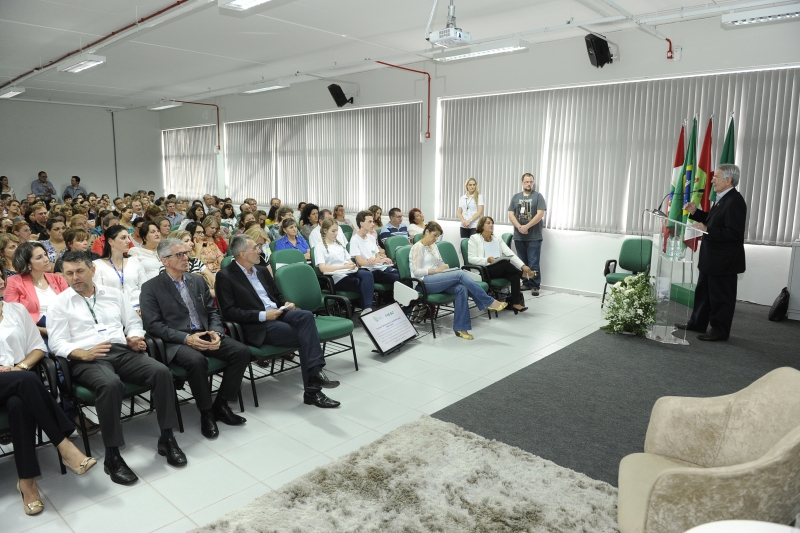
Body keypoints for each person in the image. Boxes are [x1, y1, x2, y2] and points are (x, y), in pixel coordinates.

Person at [48, 251, 186, 484]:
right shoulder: (60, 304)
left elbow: (132, 321)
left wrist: (133, 336)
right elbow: (56, 342)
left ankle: (167, 438)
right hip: (87, 359)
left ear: (92, 270)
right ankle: (112, 456)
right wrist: (82, 353)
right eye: (69, 273)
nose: (75, 277)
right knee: (110, 384)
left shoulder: (113, 294)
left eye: (80, 271)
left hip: (121, 351)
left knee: (161, 372)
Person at [140, 238, 250, 439]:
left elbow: (212, 311)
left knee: (241, 352)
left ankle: (222, 404)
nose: (186, 258)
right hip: (176, 340)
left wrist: (216, 332)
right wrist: (186, 339)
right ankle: (206, 412)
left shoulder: (196, 280)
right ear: (165, 260)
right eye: (179, 255)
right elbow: (154, 326)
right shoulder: (151, 288)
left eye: (186, 253)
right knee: (197, 361)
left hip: (205, 333)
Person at [216, 235, 341, 408]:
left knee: (305, 316)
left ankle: (314, 379)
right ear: (242, 254)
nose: (260, 250)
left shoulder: (260, 270)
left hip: (278, 313)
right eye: (256, 248)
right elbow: (229, 312)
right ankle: (313, 388)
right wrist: (262, 315)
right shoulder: (225, 276)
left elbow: (276, 294)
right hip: (257, 324)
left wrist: (285, 303)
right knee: (307, 336)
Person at [0, 301, 98, 516]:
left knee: (19, 403)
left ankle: (27, 483)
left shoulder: (15, 310)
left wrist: (20, 367)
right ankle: (64, 445)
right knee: (25, 382)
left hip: (17, 380)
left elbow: (38, 346)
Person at [677, 164, 747, 341]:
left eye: (716, 177)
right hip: (711, 259)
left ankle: (719, 331)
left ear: (728, 180)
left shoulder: (735, 201)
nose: (713, 180)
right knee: (704, 293)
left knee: (721, 298)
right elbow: (713, 221)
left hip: (724, 261)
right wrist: (696, 212)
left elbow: (734, 233)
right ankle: (697, 323)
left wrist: (707, 228)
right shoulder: (722, 198)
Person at [410, 222, 506, 340]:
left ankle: (461, 327)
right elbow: (416, 271)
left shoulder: (433, 246)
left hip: (436, 279)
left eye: (437, 236)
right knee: (460, 274)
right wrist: (436, 271)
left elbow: (440, 261)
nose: (436, 239)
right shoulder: (418, 247)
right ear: (426, 232)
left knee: (461, 288)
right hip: (423, 282)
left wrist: (444, 266)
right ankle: (488, 301)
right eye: (434, 235)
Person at [468, 216, 534, 313]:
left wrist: (522, 265)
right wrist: (486, 260)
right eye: (488, 223)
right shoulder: (474, 238)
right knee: (503, 263)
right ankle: (522, 274)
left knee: (514, 276)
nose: (491, 225)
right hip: (483, 270)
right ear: (481, 226)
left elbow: (510, 253)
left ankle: (515, 303)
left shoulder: (497, 238)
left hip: (498, 268)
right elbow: (471, 258)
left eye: (492, 223)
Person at [5, 242, 69, 335]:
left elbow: (71, 306)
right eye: (39, 257)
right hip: (35, 331)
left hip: (64, 325)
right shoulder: (13, 282)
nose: (46, 259)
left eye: (45, 255)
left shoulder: (58, 279)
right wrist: (44, 331)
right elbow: (13, 316)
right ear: (28, 264)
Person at [315, 219, 375, 314]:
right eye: (333, 231)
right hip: (336, 277)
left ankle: (367, 309)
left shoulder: (339, 245)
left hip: (348, 272)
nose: (336, 233)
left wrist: (352, 266)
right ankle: (366, 309)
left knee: (367, 275)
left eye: (337, 230)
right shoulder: (319, 246)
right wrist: (344, 267)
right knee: (362, 284)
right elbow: (323, 268)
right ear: (325, 231)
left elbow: (349, 261)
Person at [508, 173, 547, 296]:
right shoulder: (516, 197)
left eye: (530, 182)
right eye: (526, 182)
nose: (528, 184)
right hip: (519, 236)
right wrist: (519, 227)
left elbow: (540, 214)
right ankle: (525, 282)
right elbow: (511, 214)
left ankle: (535, 285)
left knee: (534, 262)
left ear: (533, 183)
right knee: (522, 262)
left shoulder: (538, 196)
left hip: (534, 236)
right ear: (522, 182)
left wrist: (526, 226)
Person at [93, 225, 147, 312]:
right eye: (123, 238)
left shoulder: (136, 261)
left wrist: (142, 308)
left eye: (128, 237)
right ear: (110, 241)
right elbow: (99, 295)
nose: (128, 241)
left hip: (137, 308)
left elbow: (144, 289)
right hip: (112, 311)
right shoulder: (98, 265)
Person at [350, 210, 401, 293]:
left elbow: (377, 255)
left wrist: (381, 260)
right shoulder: (354, 240)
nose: (373, 224)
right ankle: (400, 302)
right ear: (361, 223)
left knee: (402, 273)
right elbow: (360, 262)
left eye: (372, 221)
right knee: (397, 277)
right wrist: (377, 260)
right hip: (370, 270)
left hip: (379, 267)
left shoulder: (371, 238)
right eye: (370, 222)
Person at [167, 230, 217, 296]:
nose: (192, 244)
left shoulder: (195, 260)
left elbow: (213, 279)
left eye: (190, 240)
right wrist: (210, 293)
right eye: (186, 241)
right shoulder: (168, 266)